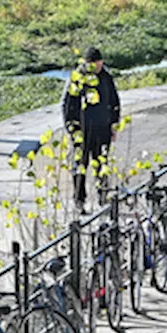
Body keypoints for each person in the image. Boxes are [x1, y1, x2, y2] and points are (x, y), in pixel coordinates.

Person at [61, 46, 121, 213]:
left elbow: (115, 102)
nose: (99, 67)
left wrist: (114, 125)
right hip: (83, 131)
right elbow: (67, 105)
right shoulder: (77, 78)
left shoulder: (106, 77)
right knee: (80, 166)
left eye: (101, 63)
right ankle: (79, 201)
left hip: (103, 130)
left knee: (102, 164)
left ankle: (103, 197)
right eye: (96, 64)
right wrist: (72, 129)